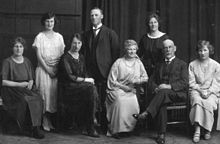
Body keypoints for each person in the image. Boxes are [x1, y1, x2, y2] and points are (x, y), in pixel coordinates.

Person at [134, 39, 188, 144]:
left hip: (177, 93)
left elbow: (185, 82)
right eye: (165, 48)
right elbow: (151, 80)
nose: (167, 50)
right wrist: (156, 88)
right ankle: (161, 135)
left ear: (174, 48)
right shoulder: (159, 64)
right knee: (162, 101)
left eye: (170, 47)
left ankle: (146, 114)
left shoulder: (182, 64)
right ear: (162, 50)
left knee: (163, 93)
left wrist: (168, 86)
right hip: (161, 95)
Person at [82, 7, 120, 133]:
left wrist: (111, 73)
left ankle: (104, 125)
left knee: (104, 99)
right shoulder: (86, 34)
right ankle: (91, 125)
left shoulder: (110, 33)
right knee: (91, 98)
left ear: (102, 16)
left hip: (106, 72)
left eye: (96, 15)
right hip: (90, 72)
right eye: (92, 15)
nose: (93, 17)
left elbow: (115, 55)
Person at [1, 37, 44, 139]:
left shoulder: (27, 61)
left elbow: (31, 78)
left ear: (24, 48)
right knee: (25, 100)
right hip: (11, 89)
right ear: (12, 48)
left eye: (21, 46)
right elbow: (3, 82)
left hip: (25, 87)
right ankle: (26, 128)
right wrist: (20, 85)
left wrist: (30, 82)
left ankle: (35, 127)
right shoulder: (7, 62)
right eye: (16, 46)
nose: (18, 49)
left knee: (37, 98)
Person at [58, 33, 99, 137]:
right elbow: (70, 77)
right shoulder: (65, 58)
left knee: (92, 88)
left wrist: (87, 80)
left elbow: (84, 72)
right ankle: (91, 124)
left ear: (81, 44)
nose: (76, 46)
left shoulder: (81, 57)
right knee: (91, 88)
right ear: (70, 43)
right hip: (69, 88)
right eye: (74, 43)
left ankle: (90, 123)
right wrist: (86, 80)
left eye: (79, 43)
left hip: (80, 87)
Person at [106, 40, 148, 138]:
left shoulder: (138, 63)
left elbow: (145, 77)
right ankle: (116, 129)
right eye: (129, 49)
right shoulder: (119, 62)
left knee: (132, 100)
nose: (132, 51)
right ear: (126, 50)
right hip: (116, 89)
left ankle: (129, 129)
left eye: (134, 49)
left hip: (132, 90)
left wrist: (137, 81)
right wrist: (124, 88)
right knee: (120, 100)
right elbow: (112, 81)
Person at [32, 12, 65, 131]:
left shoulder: (59, 37)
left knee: (53, 95)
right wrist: (48, 69)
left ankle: (50, 119)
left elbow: (62, 55)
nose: (49, 23)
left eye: (51, 21)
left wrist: (56, 68)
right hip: (43, 70)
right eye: (47, 21)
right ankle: (44, 120)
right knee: (44, 95)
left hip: (56, 70)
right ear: (43, 22)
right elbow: (39, 57)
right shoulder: (39, 37)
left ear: (54, 22)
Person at [189, 40, 220, 143]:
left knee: (209, 102)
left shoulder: (216, 65)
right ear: (197, 51)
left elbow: (217, 83)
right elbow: (191, 82)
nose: (202, 53)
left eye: (205, 50)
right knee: (197, 101)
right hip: (196, 90)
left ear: (209, 51)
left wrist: (209, 92)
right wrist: (200, 90)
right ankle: (197, 130)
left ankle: (207, 130)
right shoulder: (192, 64)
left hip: (211, 91)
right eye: (200, 50)